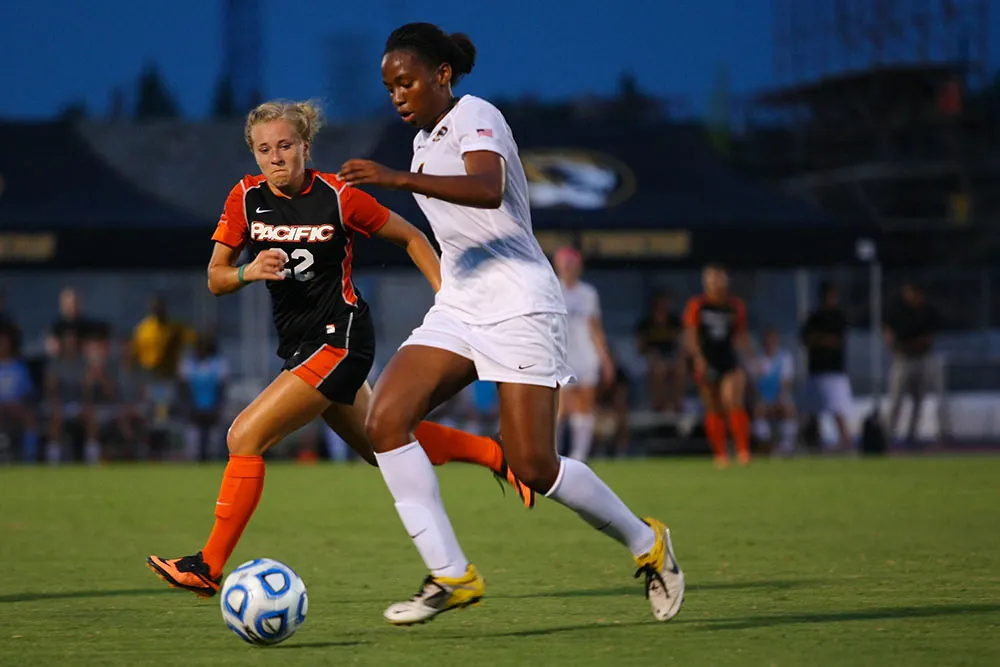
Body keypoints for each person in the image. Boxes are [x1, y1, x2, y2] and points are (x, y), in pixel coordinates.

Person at [338, 22, 683, 625]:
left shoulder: (477, 113)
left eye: (407, 82)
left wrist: (395, 180)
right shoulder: (422, 142)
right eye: (390, 86)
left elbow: (488, 187)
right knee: (384, 422)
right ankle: (451, 575)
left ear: (441, 76)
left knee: (533, 466)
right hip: (462, 304)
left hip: (521, 301)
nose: (397, 95)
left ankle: (646, 542)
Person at [146, 98, 533, 599]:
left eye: (285, 145)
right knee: (381, 448)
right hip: (301, 345)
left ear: (305, 146)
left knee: (243, 436)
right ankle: (495, 454)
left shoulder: (338, 195)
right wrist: (248, 271)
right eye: (264, 150)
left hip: (342, 337)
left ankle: (208, 566)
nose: (275, 157)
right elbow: (216, 278)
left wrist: (451, 298)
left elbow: (411, 237)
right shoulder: (244, 198)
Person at [682, 264, 752, 467]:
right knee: (713, 405)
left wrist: (751, 359)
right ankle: (720, 454)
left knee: (732, 399)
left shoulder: (734, 305)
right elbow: (691, 334)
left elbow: (741, 335)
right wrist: (698, 359)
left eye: (719, 277)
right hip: (707, 359)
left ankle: (743, 451)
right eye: (711, 278)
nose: (715, 282)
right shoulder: (698, 305)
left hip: (729, 360)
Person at [552, 246, 615, 462]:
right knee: (561, 407)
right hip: (562, 355)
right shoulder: (552, 289)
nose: (568, 268)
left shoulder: (588, 293)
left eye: (572, 263)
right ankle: (554, 454)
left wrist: (605, 359)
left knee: (585, 406)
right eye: (564, 263)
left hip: (586, 355)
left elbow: (595, 328)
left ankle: (579, 455)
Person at [884, 282, 941, 444]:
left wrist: (908, 344)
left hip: (921, 359)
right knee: (896, 399)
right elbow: (889, 333)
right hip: (902, 359)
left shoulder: (927, 311)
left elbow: (928, 340)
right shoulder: (898, 311)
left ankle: (912, 436)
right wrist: (898, 346)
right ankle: (889, 435)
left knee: (918, 400)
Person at [800, 282, 853, 450]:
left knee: (838, 411)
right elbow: (807, 339)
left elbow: (837, 341)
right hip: (816, 371)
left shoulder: (839, 317)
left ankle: (846, 444)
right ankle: (811, 443)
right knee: (811, 413)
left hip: (835, 372)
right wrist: (823, 340)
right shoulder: (814, 317)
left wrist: (820, 340)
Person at [750, 327, 797, 455]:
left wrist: (778, 398)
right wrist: (763, 399)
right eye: (767, 340)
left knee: (788, 408)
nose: (770, 343)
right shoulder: (757, 359)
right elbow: (754, 384)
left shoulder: (784, 357)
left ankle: (787, 445)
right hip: (762, 396)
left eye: (773, 340)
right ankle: (765, 443)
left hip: (779, 395)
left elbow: (786, 382)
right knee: (759, 409)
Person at [635, 291, 684, 412]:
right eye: (661, 302)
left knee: (680, 368)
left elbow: (682, 342)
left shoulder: (674, 320)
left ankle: (677, 404)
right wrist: (650, 352)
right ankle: (659, 405)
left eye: (666, 302)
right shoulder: (645, 322)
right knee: (659, 369)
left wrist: (680, 355)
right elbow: (639, 346)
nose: (664, 305)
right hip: (651, 357)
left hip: (671, 356)